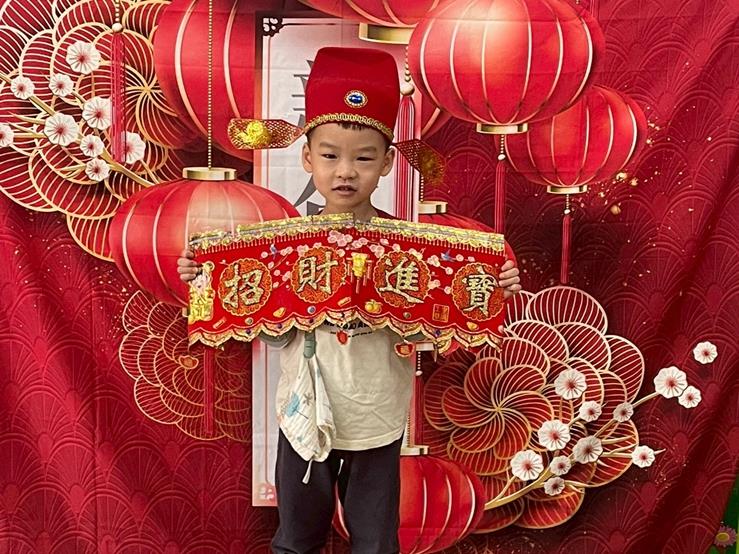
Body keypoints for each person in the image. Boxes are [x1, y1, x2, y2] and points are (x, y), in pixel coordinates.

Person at [177, 47, 521, 554]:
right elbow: (272, 330)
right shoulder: (282, 246)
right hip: (304, 412)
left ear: (386, 163)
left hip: (376, 416)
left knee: (376, 543)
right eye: (330, 155)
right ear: (307, 158)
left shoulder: (413, 249)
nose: (345, 171)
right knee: (296, 540)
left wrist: (491, 286)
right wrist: (204, 277)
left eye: (363, 158)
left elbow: (432, 329)